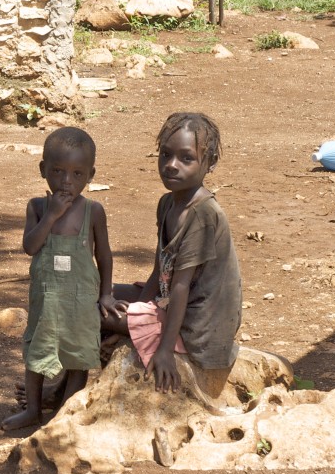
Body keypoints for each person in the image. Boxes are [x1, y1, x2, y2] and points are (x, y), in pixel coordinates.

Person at [101, 112, 242, 393]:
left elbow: (180, 286)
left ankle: (58, 392)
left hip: (198, 327)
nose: (171, 165)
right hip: (170, 302)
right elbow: (160, 270)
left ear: (211, 163)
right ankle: (66, 387)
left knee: (89, 313)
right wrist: (135, 319)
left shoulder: (203, 214)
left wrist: (164, 350)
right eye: (165, 154)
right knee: (95, 294)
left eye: (186, 158)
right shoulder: (167, 204)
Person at [2, 127, 123, 431]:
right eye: (57, 171)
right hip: (47, 302)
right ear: (43, 169)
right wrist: (51, 216)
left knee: (77, 358)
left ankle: (64, 414)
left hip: (80, 304)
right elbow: (30, 247)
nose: (66, 181)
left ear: (90, 175)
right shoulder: (37, 207)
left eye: (77, 174)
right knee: (36, 354)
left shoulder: (93, 211)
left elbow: (105, 256)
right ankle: (33, 411)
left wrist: (106, 294)